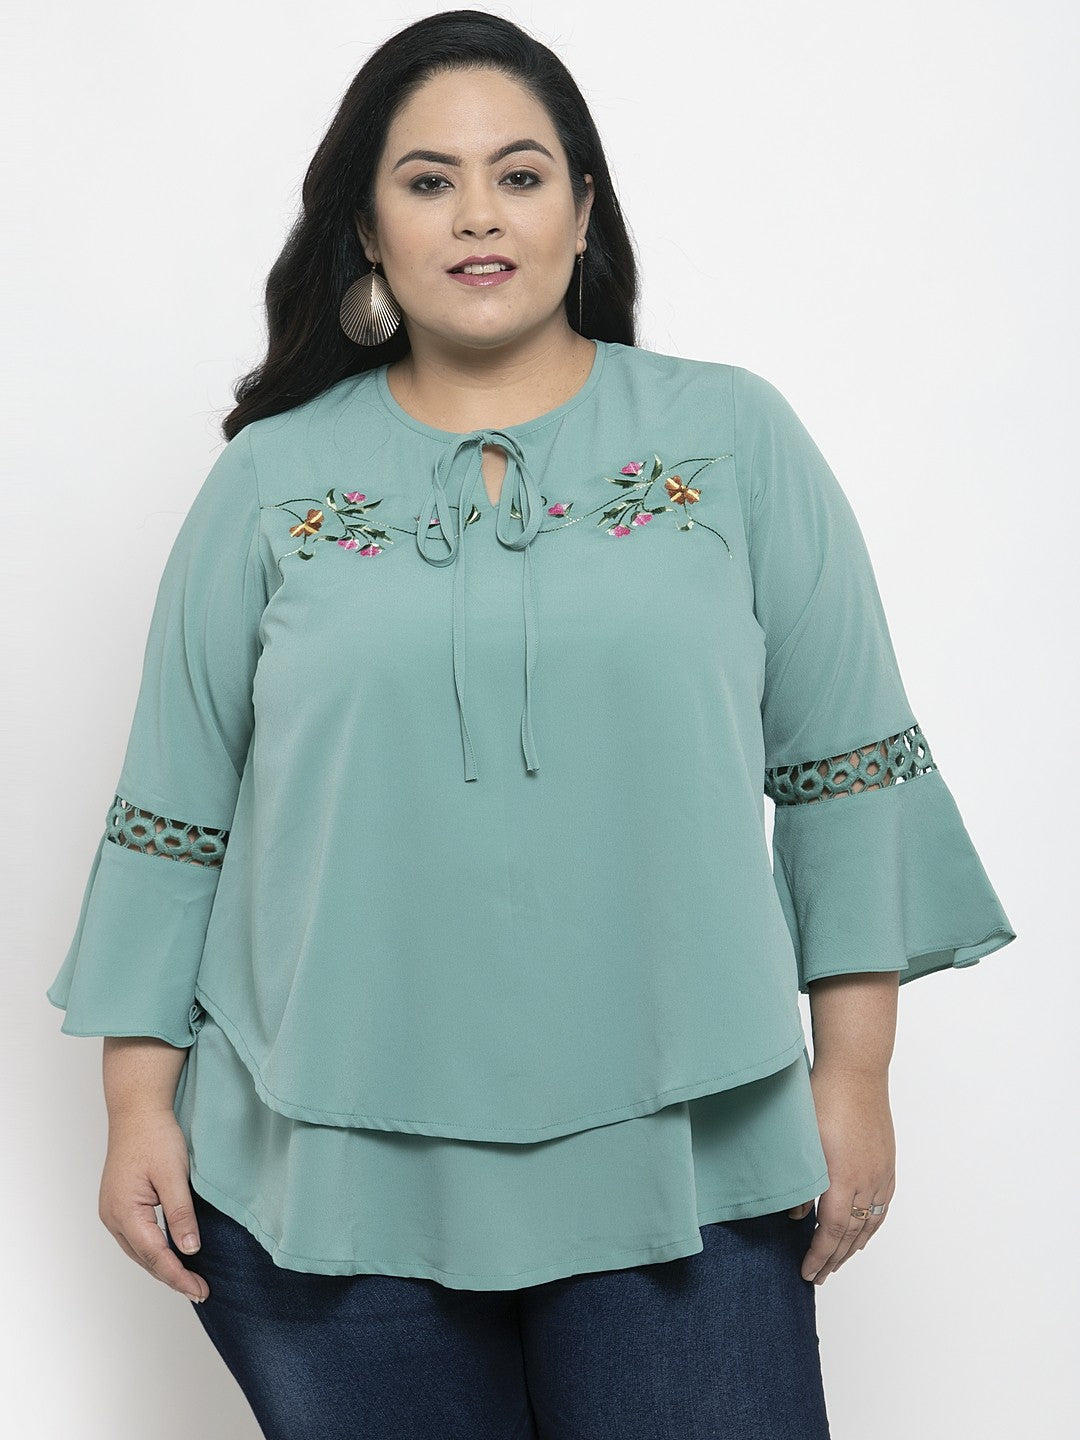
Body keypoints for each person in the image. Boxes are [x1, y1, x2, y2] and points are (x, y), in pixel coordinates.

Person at [45, 10, 1017, 1439]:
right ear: (366, 230)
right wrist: (137, 1106)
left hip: (693, 1153)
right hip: (319, 1169)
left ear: (583, 208)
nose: (478, 215)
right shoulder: (269, 483)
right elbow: (174, 812)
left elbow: (844, 770)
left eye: (519, 174)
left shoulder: (730, 439)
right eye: (427, 181)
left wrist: (854, 1075)